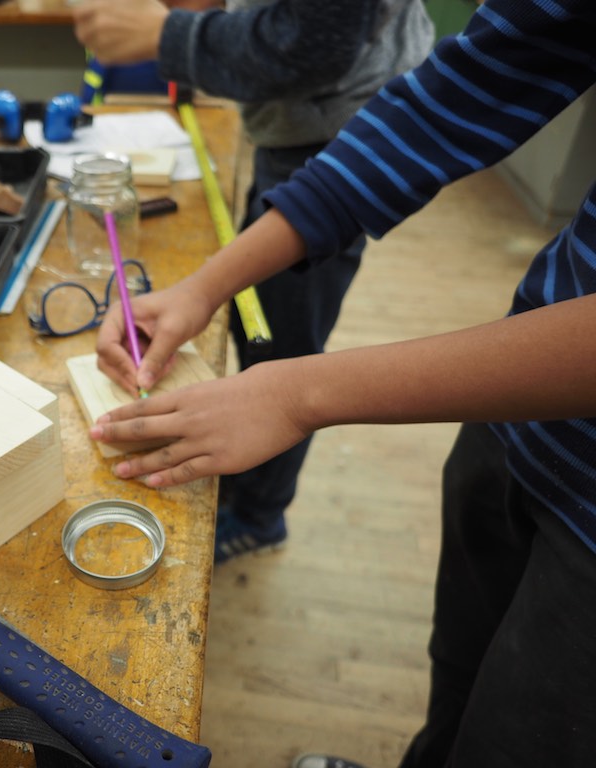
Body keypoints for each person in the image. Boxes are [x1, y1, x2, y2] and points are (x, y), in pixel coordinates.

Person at [88, 0, 596, 765]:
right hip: (513, 416)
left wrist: (300, 393)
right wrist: (206, 286)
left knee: (520, 737)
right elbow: (457, 98)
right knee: (462, 677)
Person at [72, 0, 435, 562]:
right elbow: (342, 184)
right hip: (314, 146)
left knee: (283, 344)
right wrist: (200, 290)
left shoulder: (385, 123)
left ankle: (259, 517)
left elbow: (312, 43)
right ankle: (248, 483)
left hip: (333, 130)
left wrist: (171, 35)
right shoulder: (349, 166)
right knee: (259, 334)